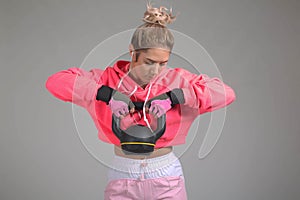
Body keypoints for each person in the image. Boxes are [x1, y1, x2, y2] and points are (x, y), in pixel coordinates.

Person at [45, 3, 236, 200]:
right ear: (132, 51)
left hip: (166, 177)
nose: (155, 71)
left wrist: (176, 97)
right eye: (149, 62)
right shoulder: (107, 80)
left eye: (163, 63)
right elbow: (56, 81)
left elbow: (227, 93)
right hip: (122, 177)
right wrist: (106, 94)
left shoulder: (178, 81)